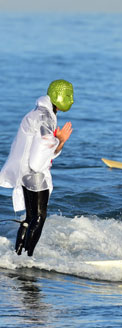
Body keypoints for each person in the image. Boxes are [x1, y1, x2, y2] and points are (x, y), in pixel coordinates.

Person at [0, 79, 74, 256]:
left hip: (24, 173)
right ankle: (27, 257)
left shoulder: (38, 113)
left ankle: (17, 255)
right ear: (58, 96)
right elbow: (38, 157)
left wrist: (56, 141)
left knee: (30, 217)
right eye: (69, 95)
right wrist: (61, 140)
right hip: (34, 174)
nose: (72, 100)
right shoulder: (45, 117)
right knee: (39, 217)